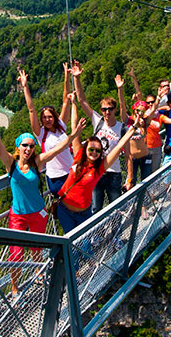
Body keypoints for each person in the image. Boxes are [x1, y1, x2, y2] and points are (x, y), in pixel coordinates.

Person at [0, 97, 84, 295]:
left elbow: (58, 149)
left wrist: (74, 135)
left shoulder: (37, 162)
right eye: (25, 145)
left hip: (38, 212)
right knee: (16, 254)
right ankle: (14, 286)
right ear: (18, 147)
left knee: (37, 249)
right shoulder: (10, 163)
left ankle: (37, 271)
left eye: (31, 146)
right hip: (18, 215)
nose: (28, 149)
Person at [56, 94, 139, 235]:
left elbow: (120, 148)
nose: (94, 152)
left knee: (114, 207)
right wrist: (74, 104)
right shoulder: (78, 157)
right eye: (91, 149)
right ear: (85, 149)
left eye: (97, 151)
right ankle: (98, 236)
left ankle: (112, 236)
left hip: (83, 209)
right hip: (65, 209)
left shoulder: (99, 169)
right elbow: (74, 129)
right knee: (92, 213)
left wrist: (133, 128)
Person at [72, 64, 128, 212]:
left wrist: (130, 178)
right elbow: (82, 100)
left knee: (116, 207)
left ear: (114, 110)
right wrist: (76, 78)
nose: (107, 112)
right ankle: (100, 235)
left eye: (110, 109)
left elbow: (128, 155)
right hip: (96, 171)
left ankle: (117, 233)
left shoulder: (121, 128)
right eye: (104, 109)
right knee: (96, 208)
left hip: (114, 173)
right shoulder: (98, 121)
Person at [19, 65, 73, 194]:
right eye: (44, 117)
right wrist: (25, 87)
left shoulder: (61, 127)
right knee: (65, 206)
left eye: (49, 116)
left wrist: (66, 76)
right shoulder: (41, 133)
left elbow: (66, 101)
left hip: (71, 172)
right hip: (56, 177)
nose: (47, 119)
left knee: (76, 206)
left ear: (54, 117)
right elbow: (31, 109)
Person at [124, 96, 158, 190]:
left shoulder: (145, 122)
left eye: (142, 112)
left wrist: (158, 97)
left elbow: (154, 109)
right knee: (131, 184)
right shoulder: (129, 121)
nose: (140, 113)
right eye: (138, 111)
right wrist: (120, 90)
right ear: (134, 110)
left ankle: (144, 203)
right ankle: (133, 204)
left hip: (145, 156)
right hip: (133, 159)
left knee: (146, 182)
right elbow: (122, 108)